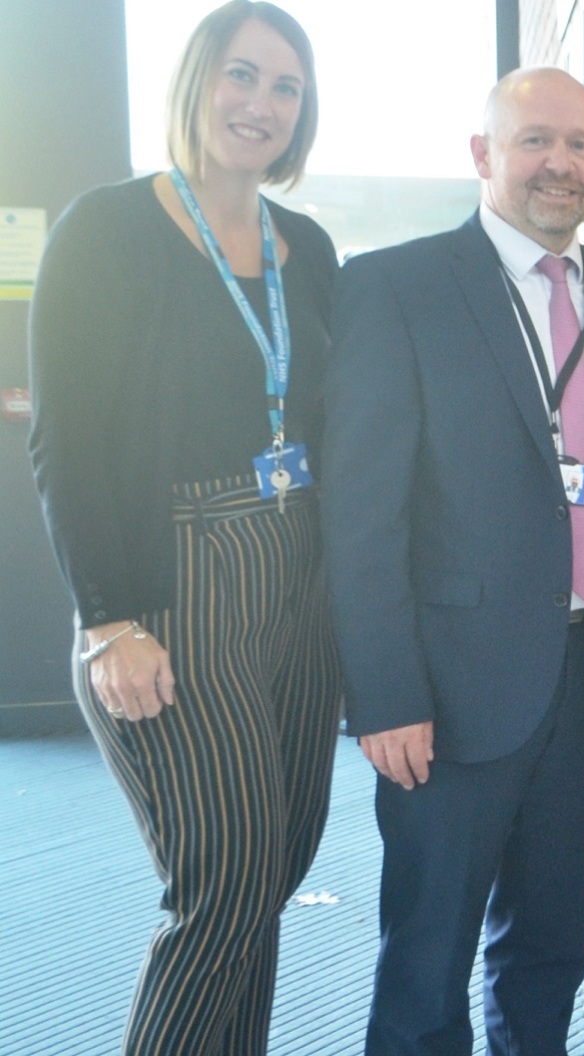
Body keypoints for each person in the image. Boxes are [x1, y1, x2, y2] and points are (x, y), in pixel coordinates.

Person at [318, 67, 584, 1055]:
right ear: (482, 155)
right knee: (427, 961)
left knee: (549, 952)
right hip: (450, 689)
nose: (560, 163)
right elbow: (361, 511)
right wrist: (383, 693)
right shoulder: (396, 286)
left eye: (581, 145)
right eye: (534, 141)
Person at [25, 4, 340, 1053]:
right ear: (196, 83)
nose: (260, 104)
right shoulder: (107, 229)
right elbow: (62, 442)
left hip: (299, 568)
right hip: (177, 576)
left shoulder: (311, 248)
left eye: (284, 88)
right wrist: (109, 619)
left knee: (279, 862)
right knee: (228, 876)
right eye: (241, 76)